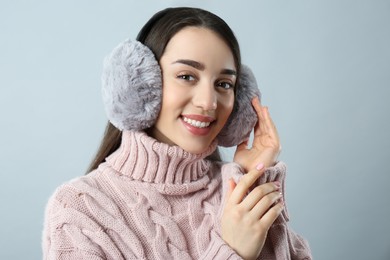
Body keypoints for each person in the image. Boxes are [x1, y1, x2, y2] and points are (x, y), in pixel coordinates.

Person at [42, 7, 312, 260]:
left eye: (223, 84)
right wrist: (231, 251)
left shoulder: (236, 188)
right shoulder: (78, 210)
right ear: (140, 84)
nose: (209, 102)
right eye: (186, 76)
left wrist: (256, 180)